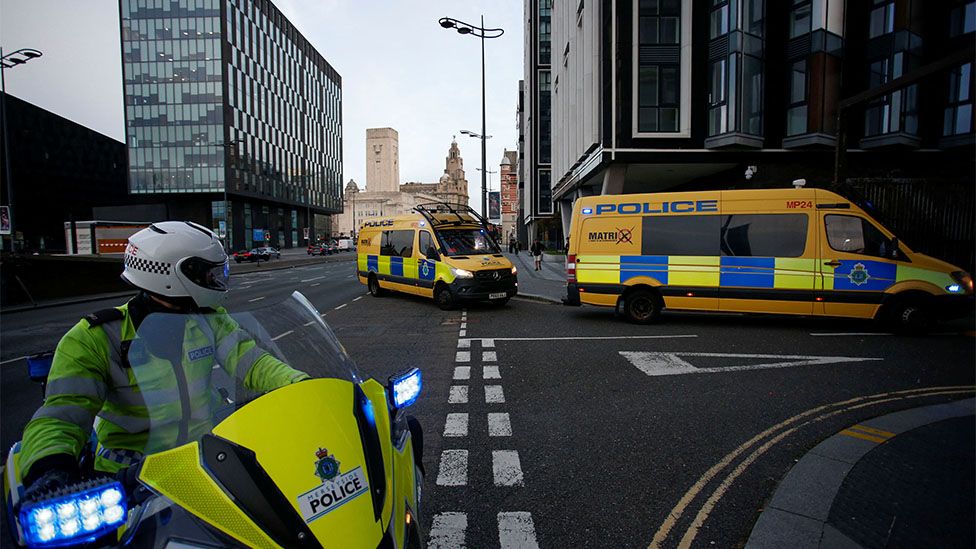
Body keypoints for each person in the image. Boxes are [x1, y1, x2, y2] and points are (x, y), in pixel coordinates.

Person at [18, 221, 307, 497]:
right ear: (173, 274)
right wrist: (49, 469)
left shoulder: (209, 320)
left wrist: (304, 387)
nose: (217, 280)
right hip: (130, 478)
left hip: (205, 461)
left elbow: (254, 363)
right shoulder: (96, 337)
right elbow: (61, 416)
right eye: (209, 274)